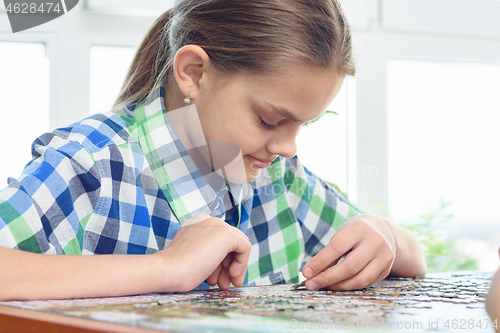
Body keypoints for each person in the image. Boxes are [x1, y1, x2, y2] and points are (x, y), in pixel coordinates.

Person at [0, 0, 426, 301]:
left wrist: (387, 235)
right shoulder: (92, 164)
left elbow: (410, 256)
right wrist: (167, 268)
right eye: (270, 121)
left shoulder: (281, 179)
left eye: (304, 126)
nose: (287, 147)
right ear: (193, 73)